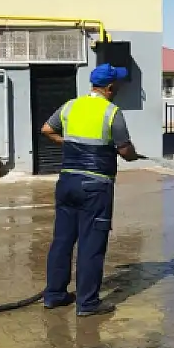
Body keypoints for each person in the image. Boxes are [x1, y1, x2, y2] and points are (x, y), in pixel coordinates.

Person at [40, 63, 142, 316]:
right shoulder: (112, 112)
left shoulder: (70, 106)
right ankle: (87, 303)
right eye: (117, 84)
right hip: (95, 187)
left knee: (62, 241)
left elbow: (47, 129)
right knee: (91, 244)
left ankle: (54, 295)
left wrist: (72, 145)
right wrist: (133, 156)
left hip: (67, 183)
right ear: (109, 87)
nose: (118, 87)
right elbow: (125, 151)